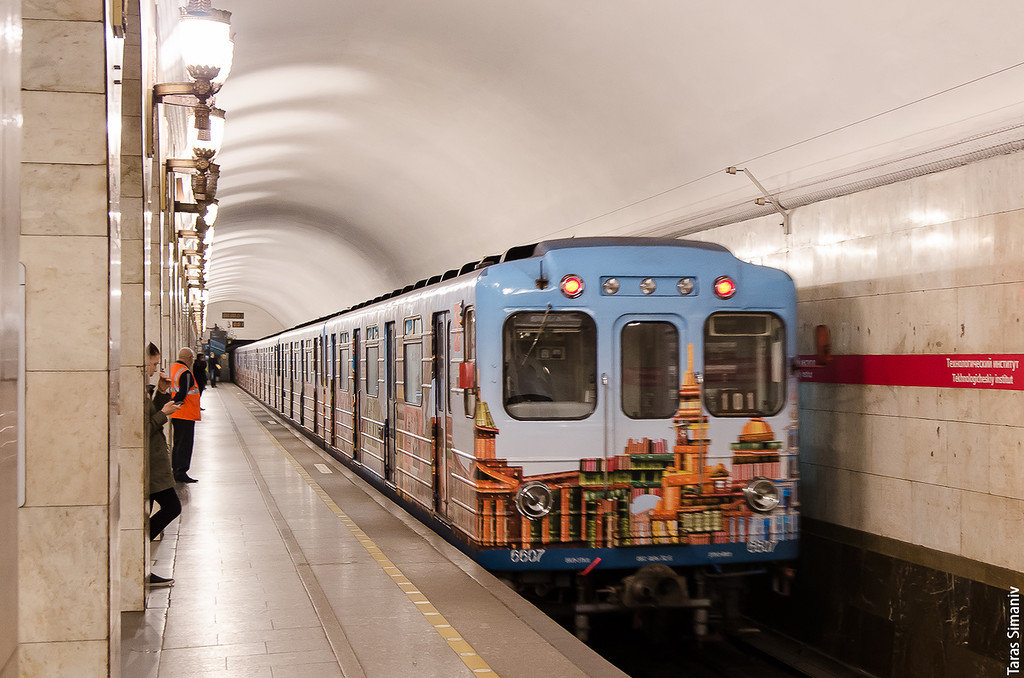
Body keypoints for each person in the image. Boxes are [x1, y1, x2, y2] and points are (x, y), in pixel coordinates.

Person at [146, 342, 182, 587]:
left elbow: (149, 416)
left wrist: (161, 393)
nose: (155, 367)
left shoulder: (144, 389)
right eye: (154, 362)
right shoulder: (133, 388)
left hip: (155, 464)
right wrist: (164, 413)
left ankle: (140, 560)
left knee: (168, 508)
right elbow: (140, 430)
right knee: (172, 507)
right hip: (151, 466)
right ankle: (137, 547)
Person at [169, 347, 202, 483]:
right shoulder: (186, 373)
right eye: (192, 359)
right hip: (185, 413)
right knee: (185, 444)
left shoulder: (174, 369)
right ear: (189, 358)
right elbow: (183, 393)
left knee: (178, 443)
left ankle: (176, 470)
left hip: (177, 414)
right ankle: (181, 472)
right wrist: (173, 403)